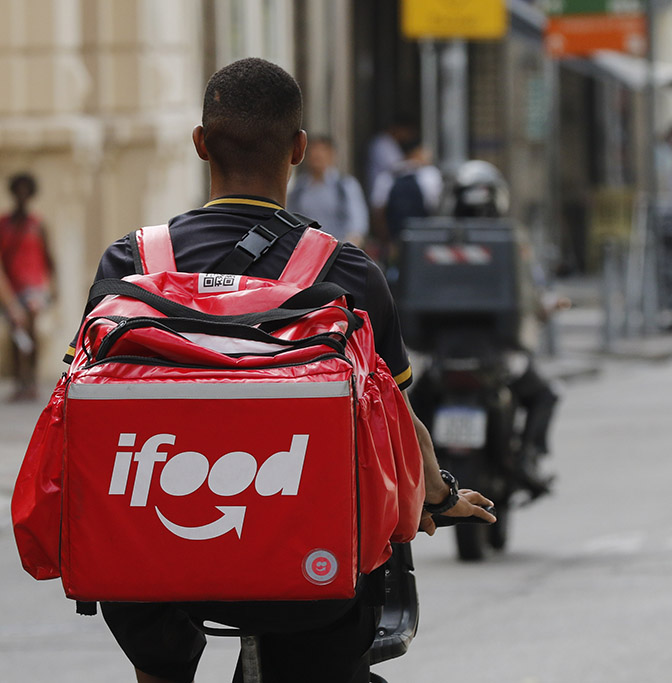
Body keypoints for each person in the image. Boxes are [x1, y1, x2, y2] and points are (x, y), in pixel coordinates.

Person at [82, 57, 494, 683]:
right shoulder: (347, 273)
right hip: (307, 575)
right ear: (299, 148)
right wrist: (440, 497)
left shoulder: (130, 262)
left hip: (154, 568)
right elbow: (397, 416)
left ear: (200, 145)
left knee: (156, 651)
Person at [448, 160, 560, 496]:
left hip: (442, 354)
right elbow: (533, 291)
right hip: (496, 354)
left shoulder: (432, 238)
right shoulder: (511, 243)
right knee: (545, 394)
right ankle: (527, 457)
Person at [0, 172, 55, 402]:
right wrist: (8, 299)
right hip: (12, 288)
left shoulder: (38, 224)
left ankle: (31, 380)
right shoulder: (4, 225)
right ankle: (20, 382)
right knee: (17, 334)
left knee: (30, 330)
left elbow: (49, 258)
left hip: (34, 289)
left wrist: (53, 287)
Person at [369, 135, 443, 273]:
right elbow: (436, 207)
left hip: (394, 241)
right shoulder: (430, 175)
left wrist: (386, 240)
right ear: (417, 151)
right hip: (423, 239)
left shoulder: (387, 176)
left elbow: (378, 212)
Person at [287, 135, 370, 246]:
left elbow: (357, 225)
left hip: (338, 251)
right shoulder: (299, 188)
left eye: (321, 152)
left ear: (331, 155)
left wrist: (345, 250)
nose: (316, 156)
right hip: (306, 251)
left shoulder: (345, 186)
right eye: (312, 151)